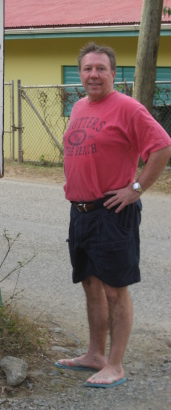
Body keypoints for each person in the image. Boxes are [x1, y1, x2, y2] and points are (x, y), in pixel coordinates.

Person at [56, 42, 171, 388]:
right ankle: (95, 355)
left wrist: (135, 188)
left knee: (114, 290)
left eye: (100, 69)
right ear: (80, 74)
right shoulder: (78, 106)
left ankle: (116, 365)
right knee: (91, 285)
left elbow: (162, 146)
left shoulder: (128, 108)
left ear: (112, 73)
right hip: (80, 212)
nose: (93, 75)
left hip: (112, 211)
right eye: (87, 69)